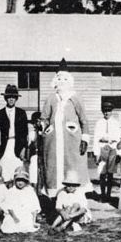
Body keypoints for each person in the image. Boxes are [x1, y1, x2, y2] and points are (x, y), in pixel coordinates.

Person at [41, 58, 90, 197]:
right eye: (59, 78)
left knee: (72, 168)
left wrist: (85, 139)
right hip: (53, 142)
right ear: (56, 80)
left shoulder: (75, 98)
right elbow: (44, 118)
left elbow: (84, 120)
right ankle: (54, 202)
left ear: (69, 80)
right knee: (53, 169)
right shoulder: (51, 98)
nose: (62, 81)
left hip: (72, 142)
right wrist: (42, 125)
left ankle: (75, 200)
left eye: (65, 79)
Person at [0, 84, 28, 184]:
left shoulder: (21, 113)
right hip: (4, 145)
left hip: (17, 145)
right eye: (9, 97)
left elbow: (24, 132)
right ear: (5, 98)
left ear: (16, 99)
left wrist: (23, 148)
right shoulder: (0, 113)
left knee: (17, 171)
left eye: (13, 97)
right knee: (4, 171)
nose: (11, 99)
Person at [93, 101, 121, 202]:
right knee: (102, 173)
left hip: (112, 148)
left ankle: (109, 195)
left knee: (110, 174)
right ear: (102, 112)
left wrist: (119, 153)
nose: (107, 113)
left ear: (112, 112)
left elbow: (118, 139)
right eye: (105, 111)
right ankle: (103, 194)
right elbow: (96, 138)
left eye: (108, 111)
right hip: (102, 148)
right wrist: (96, 154)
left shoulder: (116, 123)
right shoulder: (99, 123)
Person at [0, 167, 41, 234]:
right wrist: (14, 217)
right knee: (10, 225)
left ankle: (31, 223)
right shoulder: (11, 191)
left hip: (26, 214)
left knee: (27, 224)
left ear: (26, 181)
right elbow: (9, 206)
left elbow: (34, 207)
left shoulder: (30, 191)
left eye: (22, 180)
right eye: (18, 180)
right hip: (14, 214)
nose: (20, 183)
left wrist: (33, 221)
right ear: (15, 181)